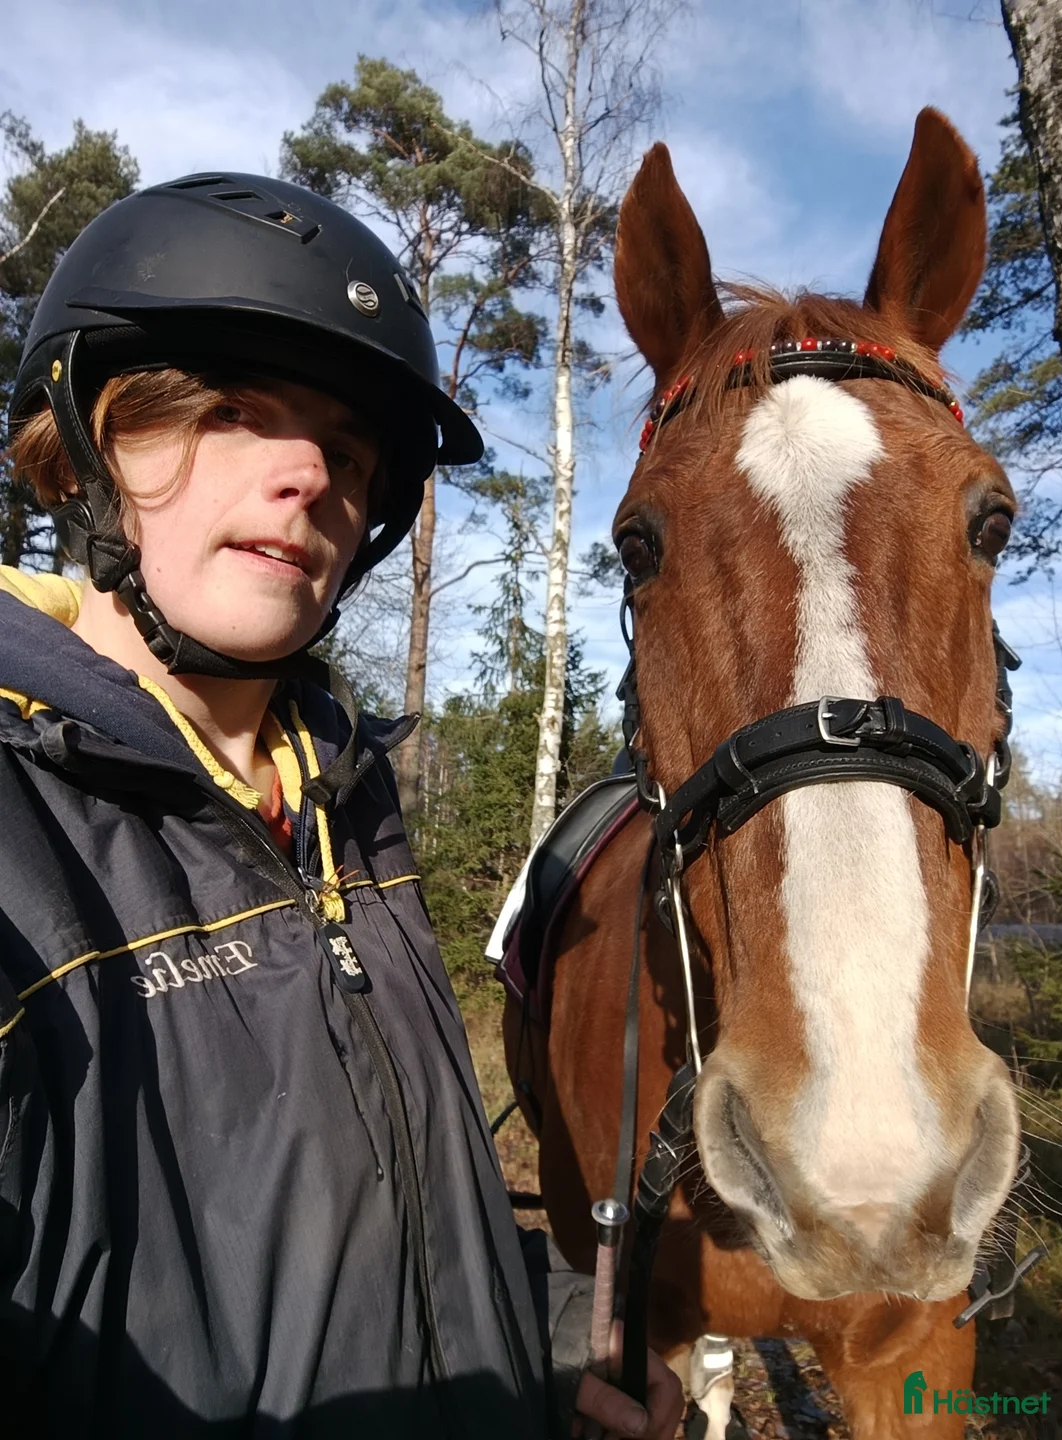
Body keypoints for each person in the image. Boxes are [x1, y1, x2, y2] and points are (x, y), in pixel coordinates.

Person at [0, 173, 683, 1439]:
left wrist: (533, 1346)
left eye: (351, 450)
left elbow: (376, 1228)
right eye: (233, 412)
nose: (310, 471)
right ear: (85, 444)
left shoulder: (344, 804)